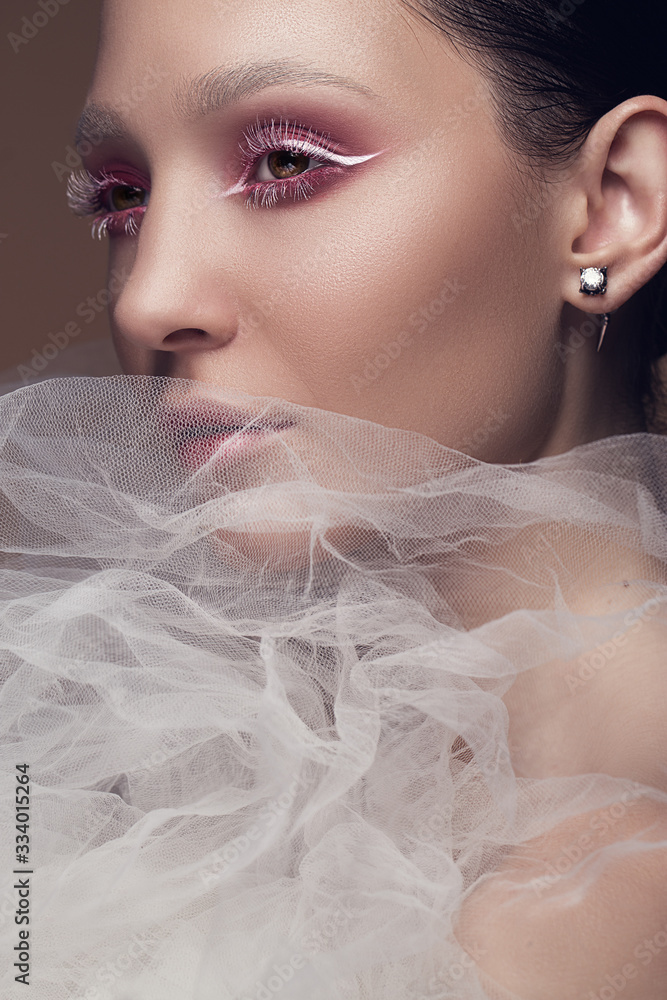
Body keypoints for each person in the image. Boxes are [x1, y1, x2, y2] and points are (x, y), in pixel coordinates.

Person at [1, 1, 667, 998]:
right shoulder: (193, 779)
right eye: (123, 198)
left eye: (285, 163)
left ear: (612, 204)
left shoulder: (604, 903)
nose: (148, 300)